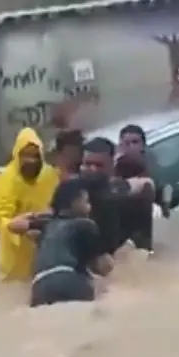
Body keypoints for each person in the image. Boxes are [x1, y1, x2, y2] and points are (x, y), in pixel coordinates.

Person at [0, 127, 60, 281]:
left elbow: (60, 205)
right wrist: (21, 227)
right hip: (16, 254)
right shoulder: (5, 180)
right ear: (17, 155)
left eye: (35, 156)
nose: (31, 161)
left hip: (47, 246)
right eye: (25, 156)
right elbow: (0, 219)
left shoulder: (51, 175)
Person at [29, 181, 114, 307]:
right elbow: (104, 267)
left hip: (38, 286)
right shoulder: (86, 224)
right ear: (75, 202)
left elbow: (15, 226)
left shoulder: (48, 225)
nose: (90, 207)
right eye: (86, 201)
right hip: (68, 280)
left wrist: (35, 215)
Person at [116, 124, 159, 253]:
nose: (131, 147)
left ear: (143, 146)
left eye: (135, 142)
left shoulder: (154, 171)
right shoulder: (113, 172)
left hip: (150, 239)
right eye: (126, 143)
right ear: (120, 147)